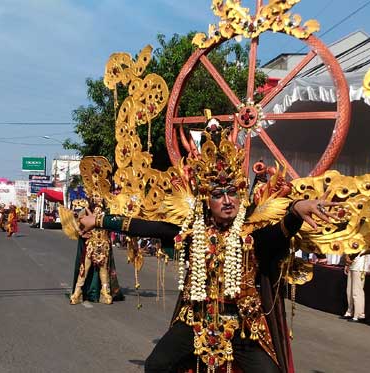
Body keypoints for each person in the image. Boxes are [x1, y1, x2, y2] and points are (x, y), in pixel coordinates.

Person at [77, 125, 336, 373]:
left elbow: (280, 232)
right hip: (196, 319)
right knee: (157, 365)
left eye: (232, 192)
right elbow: (145, 227)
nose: (226, 200)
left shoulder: (252, 234)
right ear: (205, 198)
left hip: (243, 326)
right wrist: (98, 220)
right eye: (218, 193)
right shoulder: (192, 233)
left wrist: (296, 211)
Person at [69, 196, 124, 305]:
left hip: (104, 245)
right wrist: (81, 232)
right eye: (96, 195)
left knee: (104, 270)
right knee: (84, 269)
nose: (98, 198)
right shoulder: (85, 210)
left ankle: (105, 291)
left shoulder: (108, 212)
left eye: (100, 195)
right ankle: (77, 292)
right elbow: (74, 219)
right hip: (91, 244)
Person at [341, 252, 370, 322]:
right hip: (352, 265)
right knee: (349, 290)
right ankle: (350, 311)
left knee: (357, 291)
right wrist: (347, 263)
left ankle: (359, 314)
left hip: (360, 266)